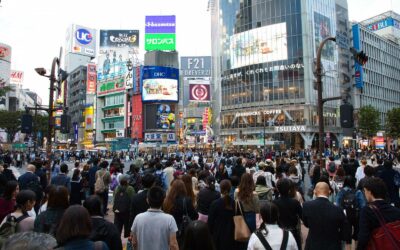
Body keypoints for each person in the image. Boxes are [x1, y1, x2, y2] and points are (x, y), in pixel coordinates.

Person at [302, 182, 351, 250]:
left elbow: (306, 223)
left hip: (313, 244)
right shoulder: (338, 209)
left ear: (315, 192)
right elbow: (345, 231)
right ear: (329, 192)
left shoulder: (306, 206)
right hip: (333, 245)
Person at [357, 177, 400, 250]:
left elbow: (363, 237)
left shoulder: (367, 211)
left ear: (370, 192)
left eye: (365, 191)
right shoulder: (396, 211)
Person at [130, 186, 179, 250]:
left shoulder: (138, 218)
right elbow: (173, 244)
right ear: (164, 200)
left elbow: (134, 242)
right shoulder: (170, 219)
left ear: (147, 200)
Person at [163, 179, 198, 247]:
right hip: (183, 231)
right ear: (183, 188)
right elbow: (195, 216)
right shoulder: (187, 200)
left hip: (169, 231)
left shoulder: (167, 201)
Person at [273, 178, 302, 250]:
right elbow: (302, 216)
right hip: (293, 231)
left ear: (278, 190)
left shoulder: (274, 203)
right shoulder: (295, 202)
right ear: (289, 190)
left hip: (278, 232)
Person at [335, 175, 365, 246]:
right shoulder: (358, 192)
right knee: (357, 235)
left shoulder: (341, 192)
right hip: (356, 215)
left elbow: (337, 205)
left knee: (347, 238)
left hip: (345, 216)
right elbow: (363, 205)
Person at [208, 179, 235, 250]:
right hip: (232, 235)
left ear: (220, 189)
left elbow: (210, 222)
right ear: (230, 188)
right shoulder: (235, 203)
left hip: (218, 235)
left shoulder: (215, 204)